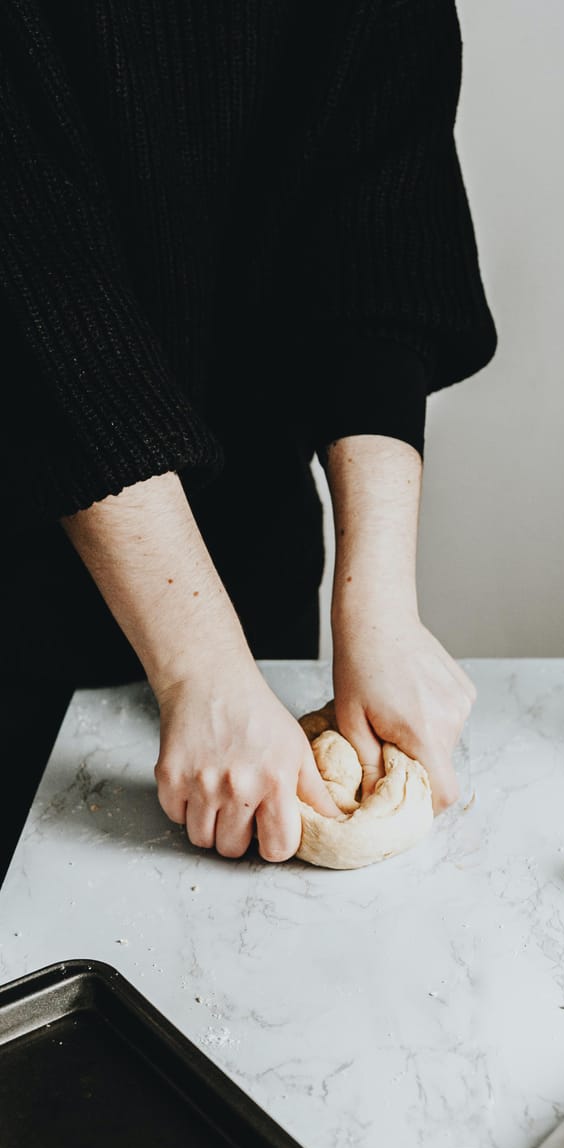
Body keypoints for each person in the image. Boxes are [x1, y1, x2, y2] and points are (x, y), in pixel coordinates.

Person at [0, 0, 496, 880]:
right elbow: (31, 269)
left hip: (248, 557)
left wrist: (377, 605)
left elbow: (381, 214)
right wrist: (196, 664)